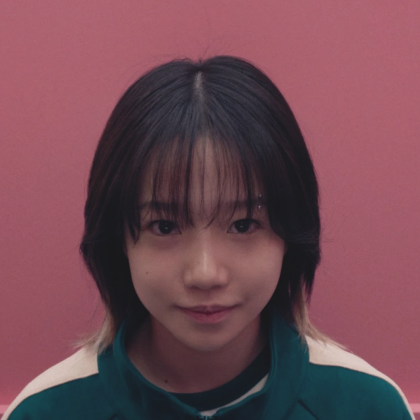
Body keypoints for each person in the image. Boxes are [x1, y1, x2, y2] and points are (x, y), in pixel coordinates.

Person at [4, 56, 414, 420]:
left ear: (292, 235)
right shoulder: (45, 411)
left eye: (243, 225)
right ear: (117, 242)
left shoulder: (367, 406)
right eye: (165, 226)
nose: (205, 273)